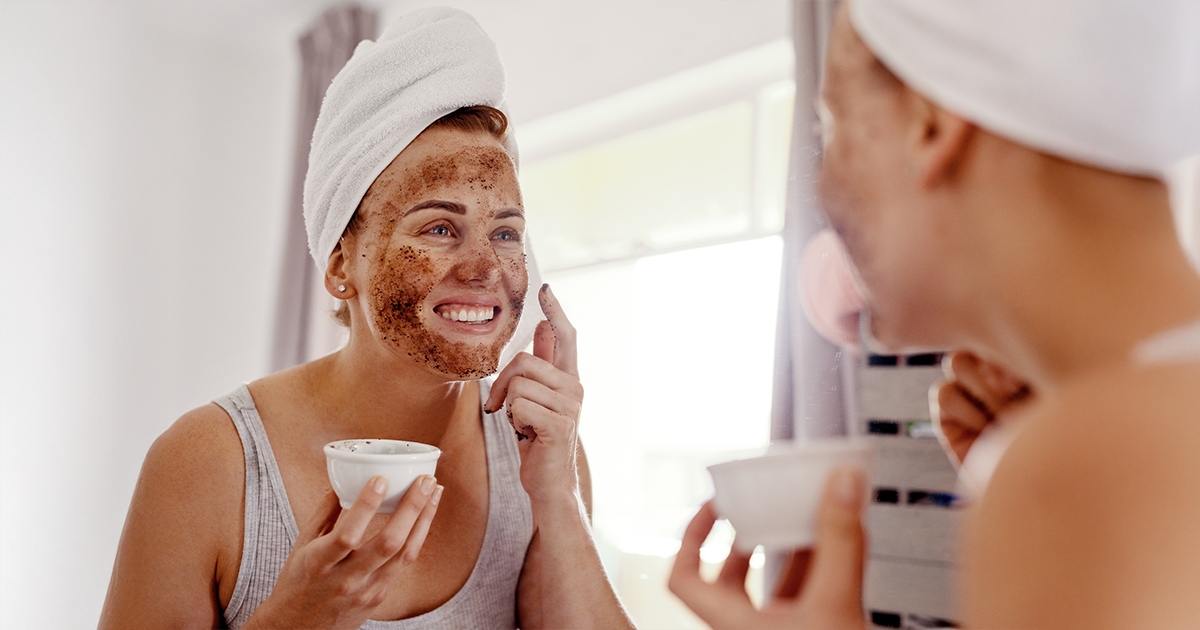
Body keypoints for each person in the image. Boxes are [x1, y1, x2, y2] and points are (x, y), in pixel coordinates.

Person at [670, 1, 1200, 628]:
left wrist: (1049, 472)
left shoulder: (1090, 467)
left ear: (930, 125)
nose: (824, 185)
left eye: (831, 126)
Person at [99, 8, 632, 629]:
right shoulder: (208, 464)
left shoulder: (538, 454)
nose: (487, 267)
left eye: (507, 232)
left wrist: (558, 498)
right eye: (440, 227)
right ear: (338, 264)